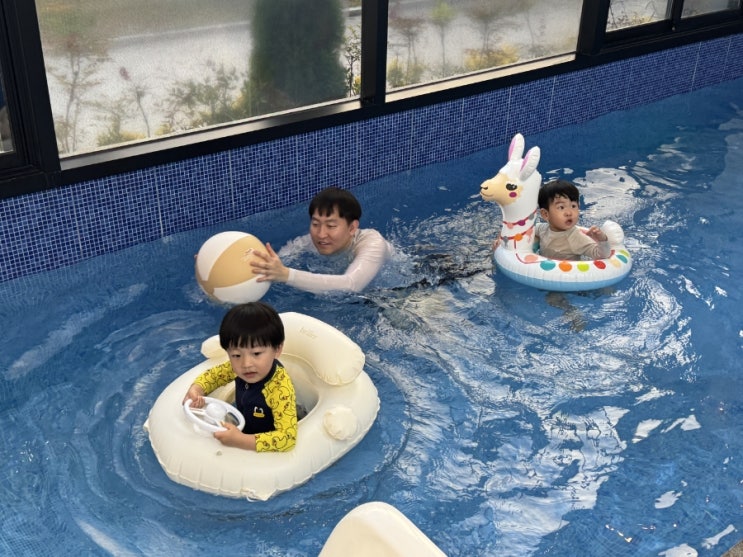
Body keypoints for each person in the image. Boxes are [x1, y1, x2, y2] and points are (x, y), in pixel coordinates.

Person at [183, 302, 297, 452]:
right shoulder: (237, 368)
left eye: (256, 353)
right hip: (245, 421)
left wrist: (241, 440)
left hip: (266, 439)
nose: (246, 364)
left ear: (277, 349)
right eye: (236, 355)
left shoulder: (280, 388)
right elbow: (214, 376)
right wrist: (197, 389)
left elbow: (287, 438)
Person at [250, 186, 394, 294]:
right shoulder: (308, 242)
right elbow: (276, 263)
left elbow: (352, 285)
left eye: (331, 226)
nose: (321, 234)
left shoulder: (373, 242)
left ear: (352, 228)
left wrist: (287, 275)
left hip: (397, 290)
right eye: (315, 224)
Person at [535, 179, 610, 261]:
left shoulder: (577, 238)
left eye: (573, 206)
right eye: (561, 207)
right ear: (545, 214)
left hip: (567, 269)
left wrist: (602, 240)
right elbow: (528, 229)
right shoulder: (542, 229)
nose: (569, 213)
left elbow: (601, 255)